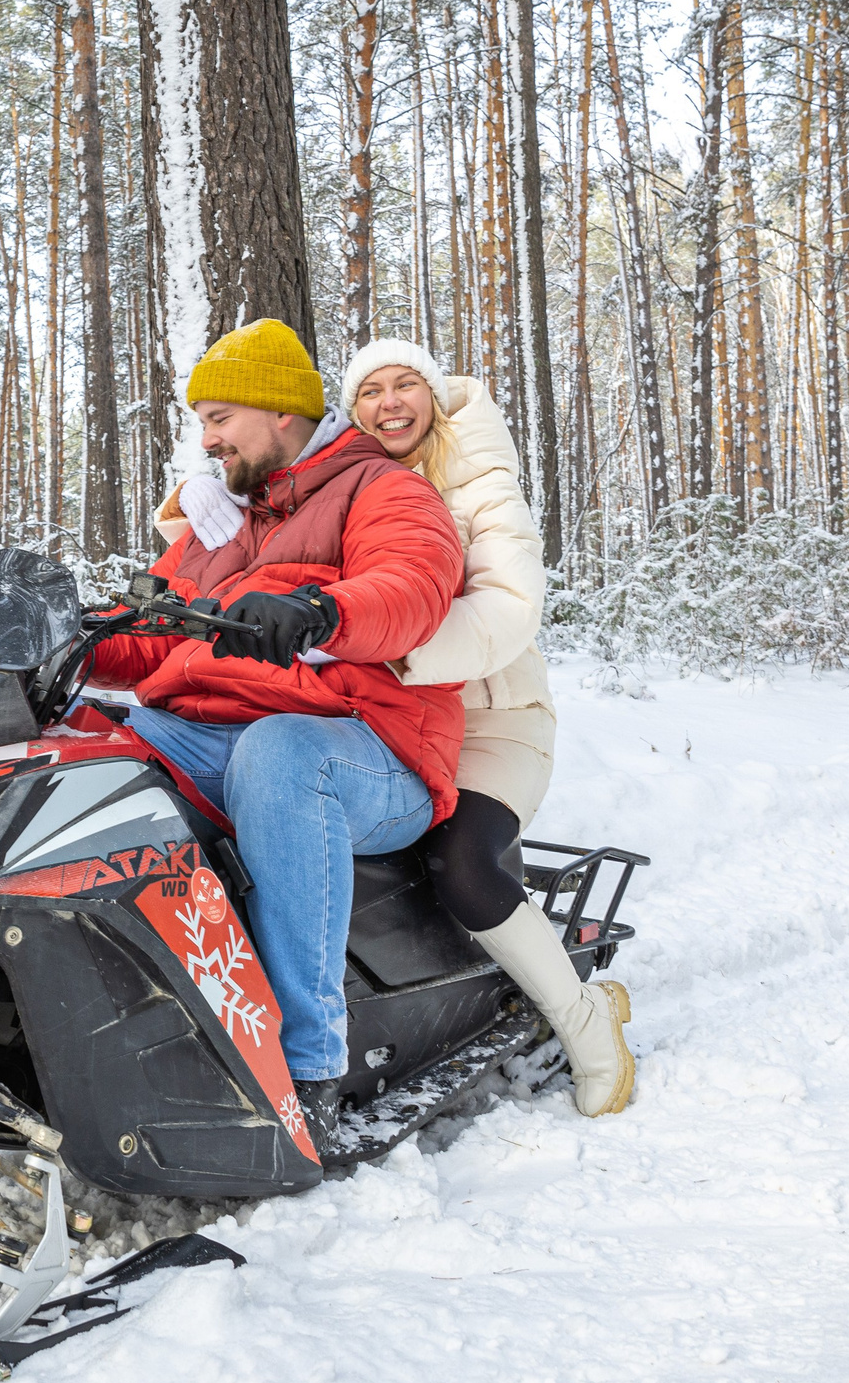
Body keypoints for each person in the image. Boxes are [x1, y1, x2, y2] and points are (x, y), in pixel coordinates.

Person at [159, 337, 634, 1116]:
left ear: (435, 394)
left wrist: (358, 642)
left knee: (465, 867)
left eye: (406, 384)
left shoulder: (474, 481)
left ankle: (588, 1027)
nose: (389, 403)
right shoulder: (332, 480)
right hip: (373, 704)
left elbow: (505, 609)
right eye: (370, 390)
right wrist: (196, 501)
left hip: (491, 715)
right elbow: (262, 536)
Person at [91, 318, 469, 1154]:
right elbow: (151, 632)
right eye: (201, 421)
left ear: (281, 413)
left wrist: (321, 610)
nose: (207, 438)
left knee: (280, 755)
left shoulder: (382, 489)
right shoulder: (222, 523)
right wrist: (67, 631)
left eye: (221, 415)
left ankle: (308, 1071)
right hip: (216, 734)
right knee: (88, 746)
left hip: (364, 750)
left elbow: (413, 585)